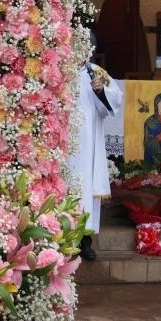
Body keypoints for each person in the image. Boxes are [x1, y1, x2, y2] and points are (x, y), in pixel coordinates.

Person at [68, 56, 123, 260]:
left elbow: (116, 98)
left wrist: (101, 91)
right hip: (64, 142)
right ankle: (60, 239)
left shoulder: (95, 71)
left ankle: (84, 241)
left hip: (88, 144)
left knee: (86, 189)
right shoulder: (59, 68)